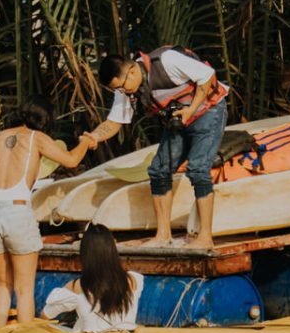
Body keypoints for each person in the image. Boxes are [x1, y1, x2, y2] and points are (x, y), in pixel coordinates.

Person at [82, 45, 229, 249]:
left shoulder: (167, 61)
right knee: (159, 170)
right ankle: (163, 235)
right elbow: (114, 122)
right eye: (118, 90)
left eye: (123, 86)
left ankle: (205, 237)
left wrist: (191, 109)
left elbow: (206, 76)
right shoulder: (125, 88)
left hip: (208, 110)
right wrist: (94, 136)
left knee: (197, 169)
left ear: (132, 70)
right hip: (178, 119)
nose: (123, 92)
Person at [0, 96, 90, 328]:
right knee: (24, 289)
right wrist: (85, 142)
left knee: (3, 284)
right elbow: (72, 160)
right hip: (17, 211)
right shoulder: (37, 138)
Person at [43, 224, 142, 333]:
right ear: (112, 250)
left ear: (85, 254)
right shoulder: (134, 280)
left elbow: (45, 315)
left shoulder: (77, 286)